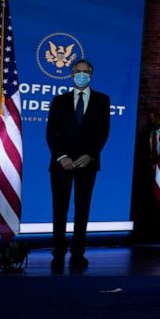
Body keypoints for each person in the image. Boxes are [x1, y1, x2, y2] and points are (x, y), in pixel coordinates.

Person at [46, 59, 110, 272]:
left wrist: (90, 155)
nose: (82, 75)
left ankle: (77, 254)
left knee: (82, 210)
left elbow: (103, 133)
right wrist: (61, 157)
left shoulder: (102, 100)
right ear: (71, 74)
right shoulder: (59, 101)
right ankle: (58, 254)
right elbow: (51, 134)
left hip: (87, 164)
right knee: (59, 209)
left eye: (86, 72)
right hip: (61, 165)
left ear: (91, 74)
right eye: (78, 71)